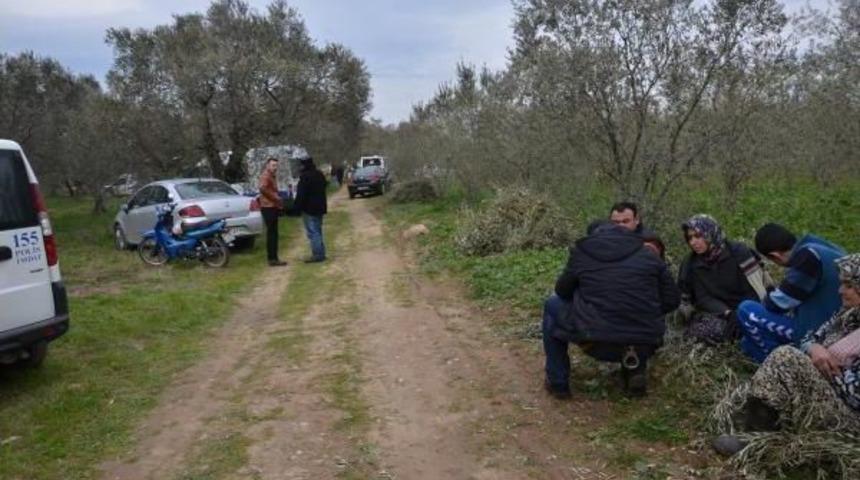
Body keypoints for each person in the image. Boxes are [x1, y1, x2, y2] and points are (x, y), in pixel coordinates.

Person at [712, 253, 860, 456]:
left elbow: (855, 396)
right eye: (842, 283)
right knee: (782, 358)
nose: (841, 291)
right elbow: (810, 338)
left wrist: (833, 371)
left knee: (786, 357)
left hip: (849, 421)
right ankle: (755, 429)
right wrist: (814, 350)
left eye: (849, 285)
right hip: (824, 393)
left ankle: (752, 439)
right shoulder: (847, 316)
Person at [542, 222, 681, 398]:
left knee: (552, 305)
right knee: (636, 314)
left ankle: (558, 382)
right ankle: (634, 371)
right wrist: (647, 311)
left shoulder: (582, 254)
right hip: (644, 342)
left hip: (595, 341)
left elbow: (563, 291)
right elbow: (672, 300)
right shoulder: (649, 256)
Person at [736, 223, 846, 362]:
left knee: (746, 310)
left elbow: (779, 303)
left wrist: (767, 298)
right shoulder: (820, 246)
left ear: (775, 256)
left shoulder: (808, 257)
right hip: (840, 322)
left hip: (820, 331)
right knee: (747, 344)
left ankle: (778, 363)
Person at [678, 214, 772, 344]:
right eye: (690, 238)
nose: (693, 242)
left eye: (698, 236)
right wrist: (728, 313)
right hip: (722, 313)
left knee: (758, 325)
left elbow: (757, 290)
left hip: (751, 307)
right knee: (696, 331)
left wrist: (741, 313)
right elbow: (703, 298)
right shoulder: (692, 263)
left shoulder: (738, 252)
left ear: (710, 233)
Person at [293, 156, 328, 263]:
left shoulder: (305, 177)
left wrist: (296, 208)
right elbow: (325, 186)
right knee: (318, 230)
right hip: (320, 207)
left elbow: (301, 195)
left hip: (309, 209)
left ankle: (317, 255)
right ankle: (321, 253)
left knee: (313, 232)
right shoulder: (319, 174)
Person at [258, 158, 286, 267]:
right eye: (273, 165)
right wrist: (275, 198)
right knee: (272, 233)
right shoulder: (266, 175)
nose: (275, 168)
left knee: (273, 233)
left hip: (272, 206)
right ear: (268, 165)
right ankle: (272, 258)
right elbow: (262, 188)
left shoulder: (272, 176)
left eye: (276, 165)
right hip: (268, 207)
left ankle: (274, 257)